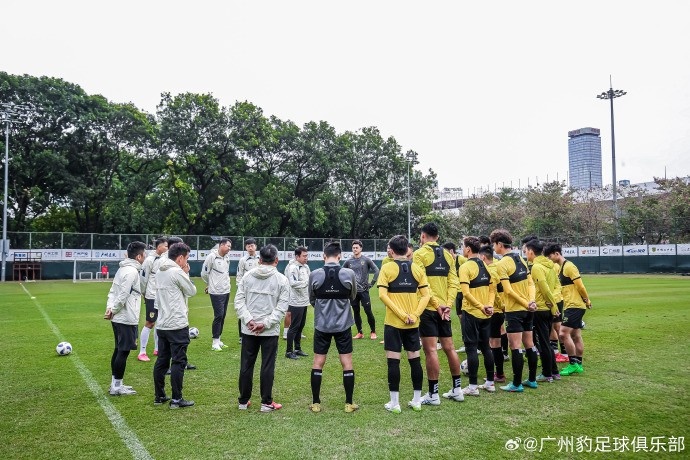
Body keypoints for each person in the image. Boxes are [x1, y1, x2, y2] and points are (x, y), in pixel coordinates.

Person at [377, 235, 431, 413]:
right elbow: (426, 296)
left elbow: (382, 295)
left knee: (393, 362)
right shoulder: (416, 268)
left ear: (391, 250)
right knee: (415, 361)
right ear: (407, 250)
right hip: (413, 324)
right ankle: (416, 401)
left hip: (393, 323)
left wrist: (401, 314)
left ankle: (395, 403)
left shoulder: (387, 268)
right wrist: (414, 315)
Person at [413, 222, 463, 405]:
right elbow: (454, 283)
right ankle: (457, 390)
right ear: (438, 237)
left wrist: (437, 305)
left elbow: (422, 283)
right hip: (444, 308)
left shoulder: (419, 255)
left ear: (423, 236)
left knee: (431, 350)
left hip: (429, 309)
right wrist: (447, 305)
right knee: (449, 347)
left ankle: (433, 394)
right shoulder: (449, 256)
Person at [235, 244, 289, 412]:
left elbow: (238, 301)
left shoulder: (248, 276)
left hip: (250, 329)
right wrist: (263, 323)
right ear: (276, 260)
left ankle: (243, 401)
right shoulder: (281, 279)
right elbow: (282, 308)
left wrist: (249, 320)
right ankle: (266, 402)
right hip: (268, 330)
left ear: (259, 260)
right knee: (267, 365)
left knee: (246, 364)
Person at [308, 241, 358, 413]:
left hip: (322, 326)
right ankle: (348, 403)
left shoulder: (314, 274)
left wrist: (323, 310)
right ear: (340, 256)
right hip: (343, 325)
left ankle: (316, 403)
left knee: (318, 362)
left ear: (323, 256)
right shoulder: (348, 273)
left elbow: (312, 299)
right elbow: (353, 296)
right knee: (347, 362)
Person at [490, 229, 537, 393]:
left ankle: (516, 383)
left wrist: (525, 302)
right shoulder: (521, 259)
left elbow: (508, 291)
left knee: (515, 346)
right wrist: (531, 301)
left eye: (494, 245)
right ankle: (532, 379)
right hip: (528, 310)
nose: (493, 248)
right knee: (529, 344)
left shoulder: (503, 263)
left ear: (499, 244)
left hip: (515, 310)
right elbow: (531, 284)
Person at [153, 242, 197, 408]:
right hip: (177, 323)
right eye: (186, 258)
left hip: (162, 323)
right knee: (179, 361)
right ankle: (177, 399)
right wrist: (186, 273)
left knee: (162, 361)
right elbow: (192, 291)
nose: (186, 262)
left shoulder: (159, 271)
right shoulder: (177, 271)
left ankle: (159, 396)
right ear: (180, 258)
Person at [104, 241, 147, 396]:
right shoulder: (131, 272)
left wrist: (110, 309)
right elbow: (122, 295)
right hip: (126, 317)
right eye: (144, 255)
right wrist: (114, 309)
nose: (145, 257)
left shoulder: (122, 270)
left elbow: (112, 292)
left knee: (118, 350)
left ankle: (116, 384)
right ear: (139, 256)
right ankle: (116, 387)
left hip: (118, 316)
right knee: (123, 351)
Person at [543, 243, 592, 376]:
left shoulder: (570, 266)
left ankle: (573, 364)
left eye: (550, 256)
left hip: (575, 305)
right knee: (576, 335)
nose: (549, 258)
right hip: (570, 305)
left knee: (563, 334)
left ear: (556, 253)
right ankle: (579, 364)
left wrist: (587, 300)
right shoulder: (560, 267)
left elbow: (580, 286)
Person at [457, 236, 496, 397]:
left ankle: (472, 387)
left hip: (472, 313)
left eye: (462, 246)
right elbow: (492, 289)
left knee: (471, 348)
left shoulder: (466, 267)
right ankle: (489, 383)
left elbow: (465, 292)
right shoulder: (486, 265)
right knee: (486, 347)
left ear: (467, 249)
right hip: (485, 314)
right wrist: (489, 305)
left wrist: (481, 306)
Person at [524, 239, 560, 383]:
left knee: (543, 342)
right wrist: (553, 305)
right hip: (548, 307)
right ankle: (554, 371)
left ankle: (547, 373)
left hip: (540, 308)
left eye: (526, 251)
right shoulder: (550, 266)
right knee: (546, 341)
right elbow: (557, 286)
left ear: (531, 252)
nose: (525, 254)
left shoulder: (537, 267)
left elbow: (544, 288)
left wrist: (553, 306)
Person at [478, 245, 507, 387]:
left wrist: (500, 306)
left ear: (483, 257)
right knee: (495, 342)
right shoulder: (497, 267)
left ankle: (499, 374)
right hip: (498, 311)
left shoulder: (489, 270)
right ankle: (499, 373)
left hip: (494, 311)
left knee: (494, 343)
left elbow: (494, 292)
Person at [138, 237, 168, 361]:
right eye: (165, 246)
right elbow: (143, 279)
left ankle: (157, 348)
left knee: (160, 322)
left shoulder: (165, 259)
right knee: (150, 322)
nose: (167, 248)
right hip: (151, 295)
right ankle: (142, 352)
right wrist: (144, 293)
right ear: (159, 246)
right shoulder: (150, 260)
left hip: (162, 295)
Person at [343, 240, 380, 340]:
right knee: (356, 312)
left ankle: (373, 331)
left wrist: (371, 283)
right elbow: (342, 273)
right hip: (353, 292)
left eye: (357, 248)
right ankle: (360, 332)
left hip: (364, 291)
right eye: (353, 248)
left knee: (368, 311)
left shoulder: (366, 260)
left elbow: (376, 270)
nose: (355, 249)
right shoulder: (348, 261)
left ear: (361, 249)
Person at [201, 238, 232, 351]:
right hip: (216, 292)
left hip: (226, 290)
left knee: (223, 315)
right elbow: (204, 273)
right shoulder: (211, 257)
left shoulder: (227, 258)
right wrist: (210, 284)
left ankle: (219, 340)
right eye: (228, 246)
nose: (229, 248)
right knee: (218, 315)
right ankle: (214, 342)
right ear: (221, 245)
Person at [284, 246, 311, 359]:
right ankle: (289, 351)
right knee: (294, 327)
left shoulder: (306, 267)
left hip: (304, 301)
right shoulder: (293, 268)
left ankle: (297, 348)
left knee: (300, 326)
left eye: (306, 255)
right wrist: (306, 282)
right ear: (297, 256)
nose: (306, 258)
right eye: (304, 256)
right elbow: (293, 283)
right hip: (295, 302)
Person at [237, 238, 260, 342]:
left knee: (257, 309)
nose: (250, 248)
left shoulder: (260, 258)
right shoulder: (243, 260)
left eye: (252, 245)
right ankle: (242, 336)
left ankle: (257, 329)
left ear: (255, 246)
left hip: (259, 289)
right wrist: (240, 288)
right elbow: (239, 275)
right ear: (245, 247)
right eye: (248, 246)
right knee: (243, 310)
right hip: (247, 289)